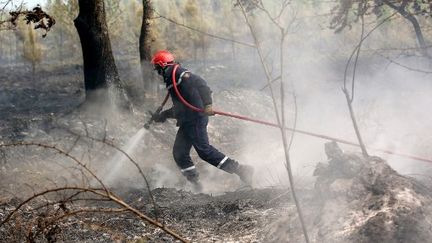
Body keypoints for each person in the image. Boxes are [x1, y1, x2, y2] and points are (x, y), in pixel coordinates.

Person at [149, 50, 254, 190]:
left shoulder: (179, 74)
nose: (157, 72)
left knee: (204, 151)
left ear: (162, 65)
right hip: (187, 120)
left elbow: (201, 84)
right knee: (179, 153)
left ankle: (241, 170)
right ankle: (196, 185)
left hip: (195, 119)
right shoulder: (172, 79)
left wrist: (208, 104)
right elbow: (181, 106)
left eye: (157, 69)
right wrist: (163, 116)